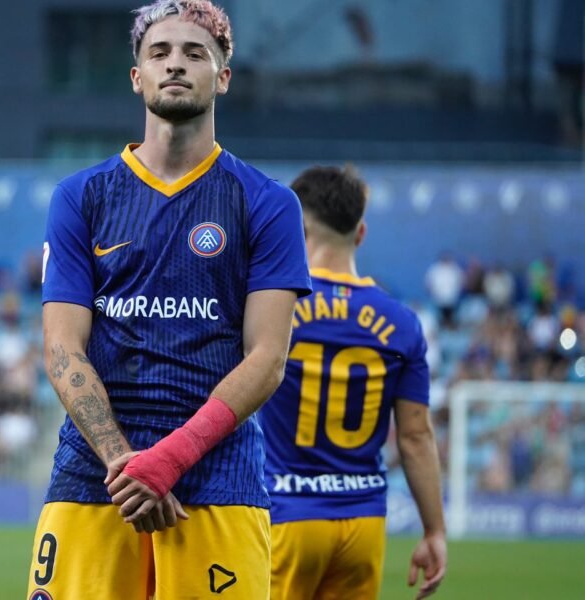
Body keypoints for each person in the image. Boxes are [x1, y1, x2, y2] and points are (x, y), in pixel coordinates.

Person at [28, 2, 312, 598]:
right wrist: (126, 463)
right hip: (95, 478)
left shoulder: (267, 202)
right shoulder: (81, 196)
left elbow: (267, 359)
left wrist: (172, 458)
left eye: (194, 53)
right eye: (159, 53)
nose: (175, 64)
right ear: (137, 77)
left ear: (223, 77)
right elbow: (62, 349)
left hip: (216, 478)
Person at [259, 166, 447, 600]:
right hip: (363, 521)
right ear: (360, 233)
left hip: (286, 513)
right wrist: (434, 530)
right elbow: (416, 437)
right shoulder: (403, 324)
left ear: (296, 228)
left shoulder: (274, 310)